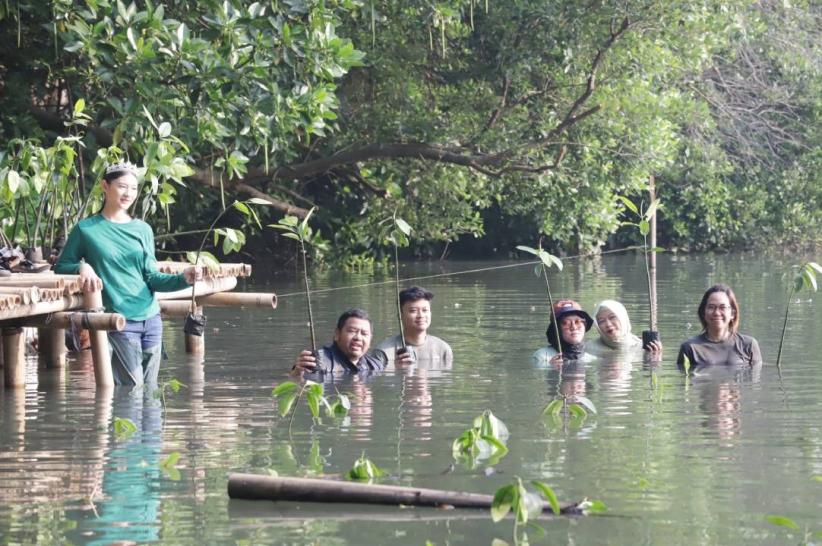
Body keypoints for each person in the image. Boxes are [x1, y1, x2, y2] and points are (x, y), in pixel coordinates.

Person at [55, 161, 200, 386]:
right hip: (120, 319)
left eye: (133, 188)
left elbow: (152, 278)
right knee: (131, 391)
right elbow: (61, 266)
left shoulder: (143, 229)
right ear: (105, 186)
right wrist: (82, 267)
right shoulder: (86, 229)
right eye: (122, 186)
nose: (128, 193)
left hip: (151, 318)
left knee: (151, 392)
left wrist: (184, 278)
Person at [676, 283, 762, 370]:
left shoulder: (748, 345)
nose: (716, 313)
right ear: (703, 312)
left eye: (722, 307)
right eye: (711, 307)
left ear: (732, 313)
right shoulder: (690, 348)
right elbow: (685, 379)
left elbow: (755, 380)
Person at [291, 308, 387, 377]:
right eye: (352, 331)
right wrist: (297, 374)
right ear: (337, 334)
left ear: (370, 340)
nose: (358, 337)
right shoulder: (317, 361)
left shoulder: (376, 366)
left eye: (364, 333)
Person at [375, 286, 453, 367]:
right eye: (413, 311)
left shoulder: (443, 349)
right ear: (400, 315)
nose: (421, 315)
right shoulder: (383, 352)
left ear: (430, 313)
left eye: (425, 310)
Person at [532, 299, 597, 366]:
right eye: (566, 323)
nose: (574, 327)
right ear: (556, 329)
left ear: (585, 325)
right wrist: (550, 366)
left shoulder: (591, 358)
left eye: (577, 322)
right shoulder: (542, 357)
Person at [589, 299, 662, 356]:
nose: (608, 324)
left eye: (612, 317)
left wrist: (655, 355)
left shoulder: (641, 346)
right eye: (601, 321)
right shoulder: (589, 349)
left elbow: (651, 370)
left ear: (623, 318)